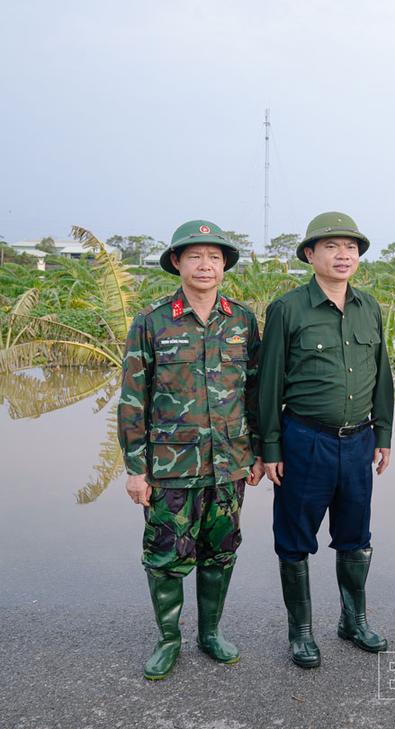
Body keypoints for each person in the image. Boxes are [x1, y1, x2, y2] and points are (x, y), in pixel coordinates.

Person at [118, 219, 262, 680]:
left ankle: (210, 633)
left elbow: (254, 393)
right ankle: (168, 639)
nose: (206, 265)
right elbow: (132, 399)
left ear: (224, 266)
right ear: (177, 262)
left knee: (220, 552)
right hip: (170, 467)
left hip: (229, 464)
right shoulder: (152, 321)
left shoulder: (242, 320)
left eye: (214, 257)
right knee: (165, 556)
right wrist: (135, 469)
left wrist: (256, 452)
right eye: (195, 256)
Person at [258, 211, 394, 668]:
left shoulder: (369, 307)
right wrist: (270, 447)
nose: (343, 255)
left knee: (355, 536)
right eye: (332, 247)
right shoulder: (287, 308)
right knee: (294, 539)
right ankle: (300, 633)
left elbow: (382, 378)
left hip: (357, 443)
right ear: (310, 254)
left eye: (351, 248)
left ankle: (352, 621)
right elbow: (269, 384)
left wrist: (384, 433)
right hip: (304, 441)